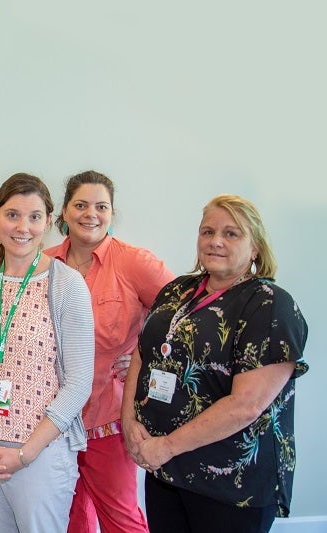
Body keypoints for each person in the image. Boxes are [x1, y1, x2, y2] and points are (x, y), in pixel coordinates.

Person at [121, 194, 309, 533]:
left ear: (255, 247)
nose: (215, 241)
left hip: (229, 484)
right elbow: (143, 353)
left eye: (231, 233)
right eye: (207, 232)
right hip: (165, 471)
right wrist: (129, 421)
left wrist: (165, 447)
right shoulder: (177, 290)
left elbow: (246, 406)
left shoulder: (269, 305)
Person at [0, 173, 96, 532]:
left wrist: (25, 453)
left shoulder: (67, 284)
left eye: (34, 217)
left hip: (39, 454)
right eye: (12, 214)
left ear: (49, 221)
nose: (22, 227)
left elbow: (79, 383)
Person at [44, 170, 174, 533]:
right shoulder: (43, 263)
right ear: (64, 212)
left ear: (112, 213)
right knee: (70, 518)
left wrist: (145, 363)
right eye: (81, 205)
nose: (91, 214)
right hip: (53, 420)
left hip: (109, 418)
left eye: (101, 206)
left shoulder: (134, 262)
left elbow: (185, 317)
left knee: (120, 518)